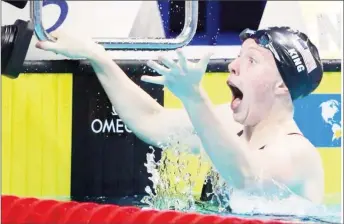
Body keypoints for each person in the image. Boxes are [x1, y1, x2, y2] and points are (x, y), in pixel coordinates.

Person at [35, 26, 325, 205]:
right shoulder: (227, 124)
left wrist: (193, 97)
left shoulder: (298, 153)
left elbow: (247, 176)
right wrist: (96, 54)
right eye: (240, 55)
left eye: (252, 60)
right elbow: (152, 122)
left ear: (281, 86)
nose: (234, 66)